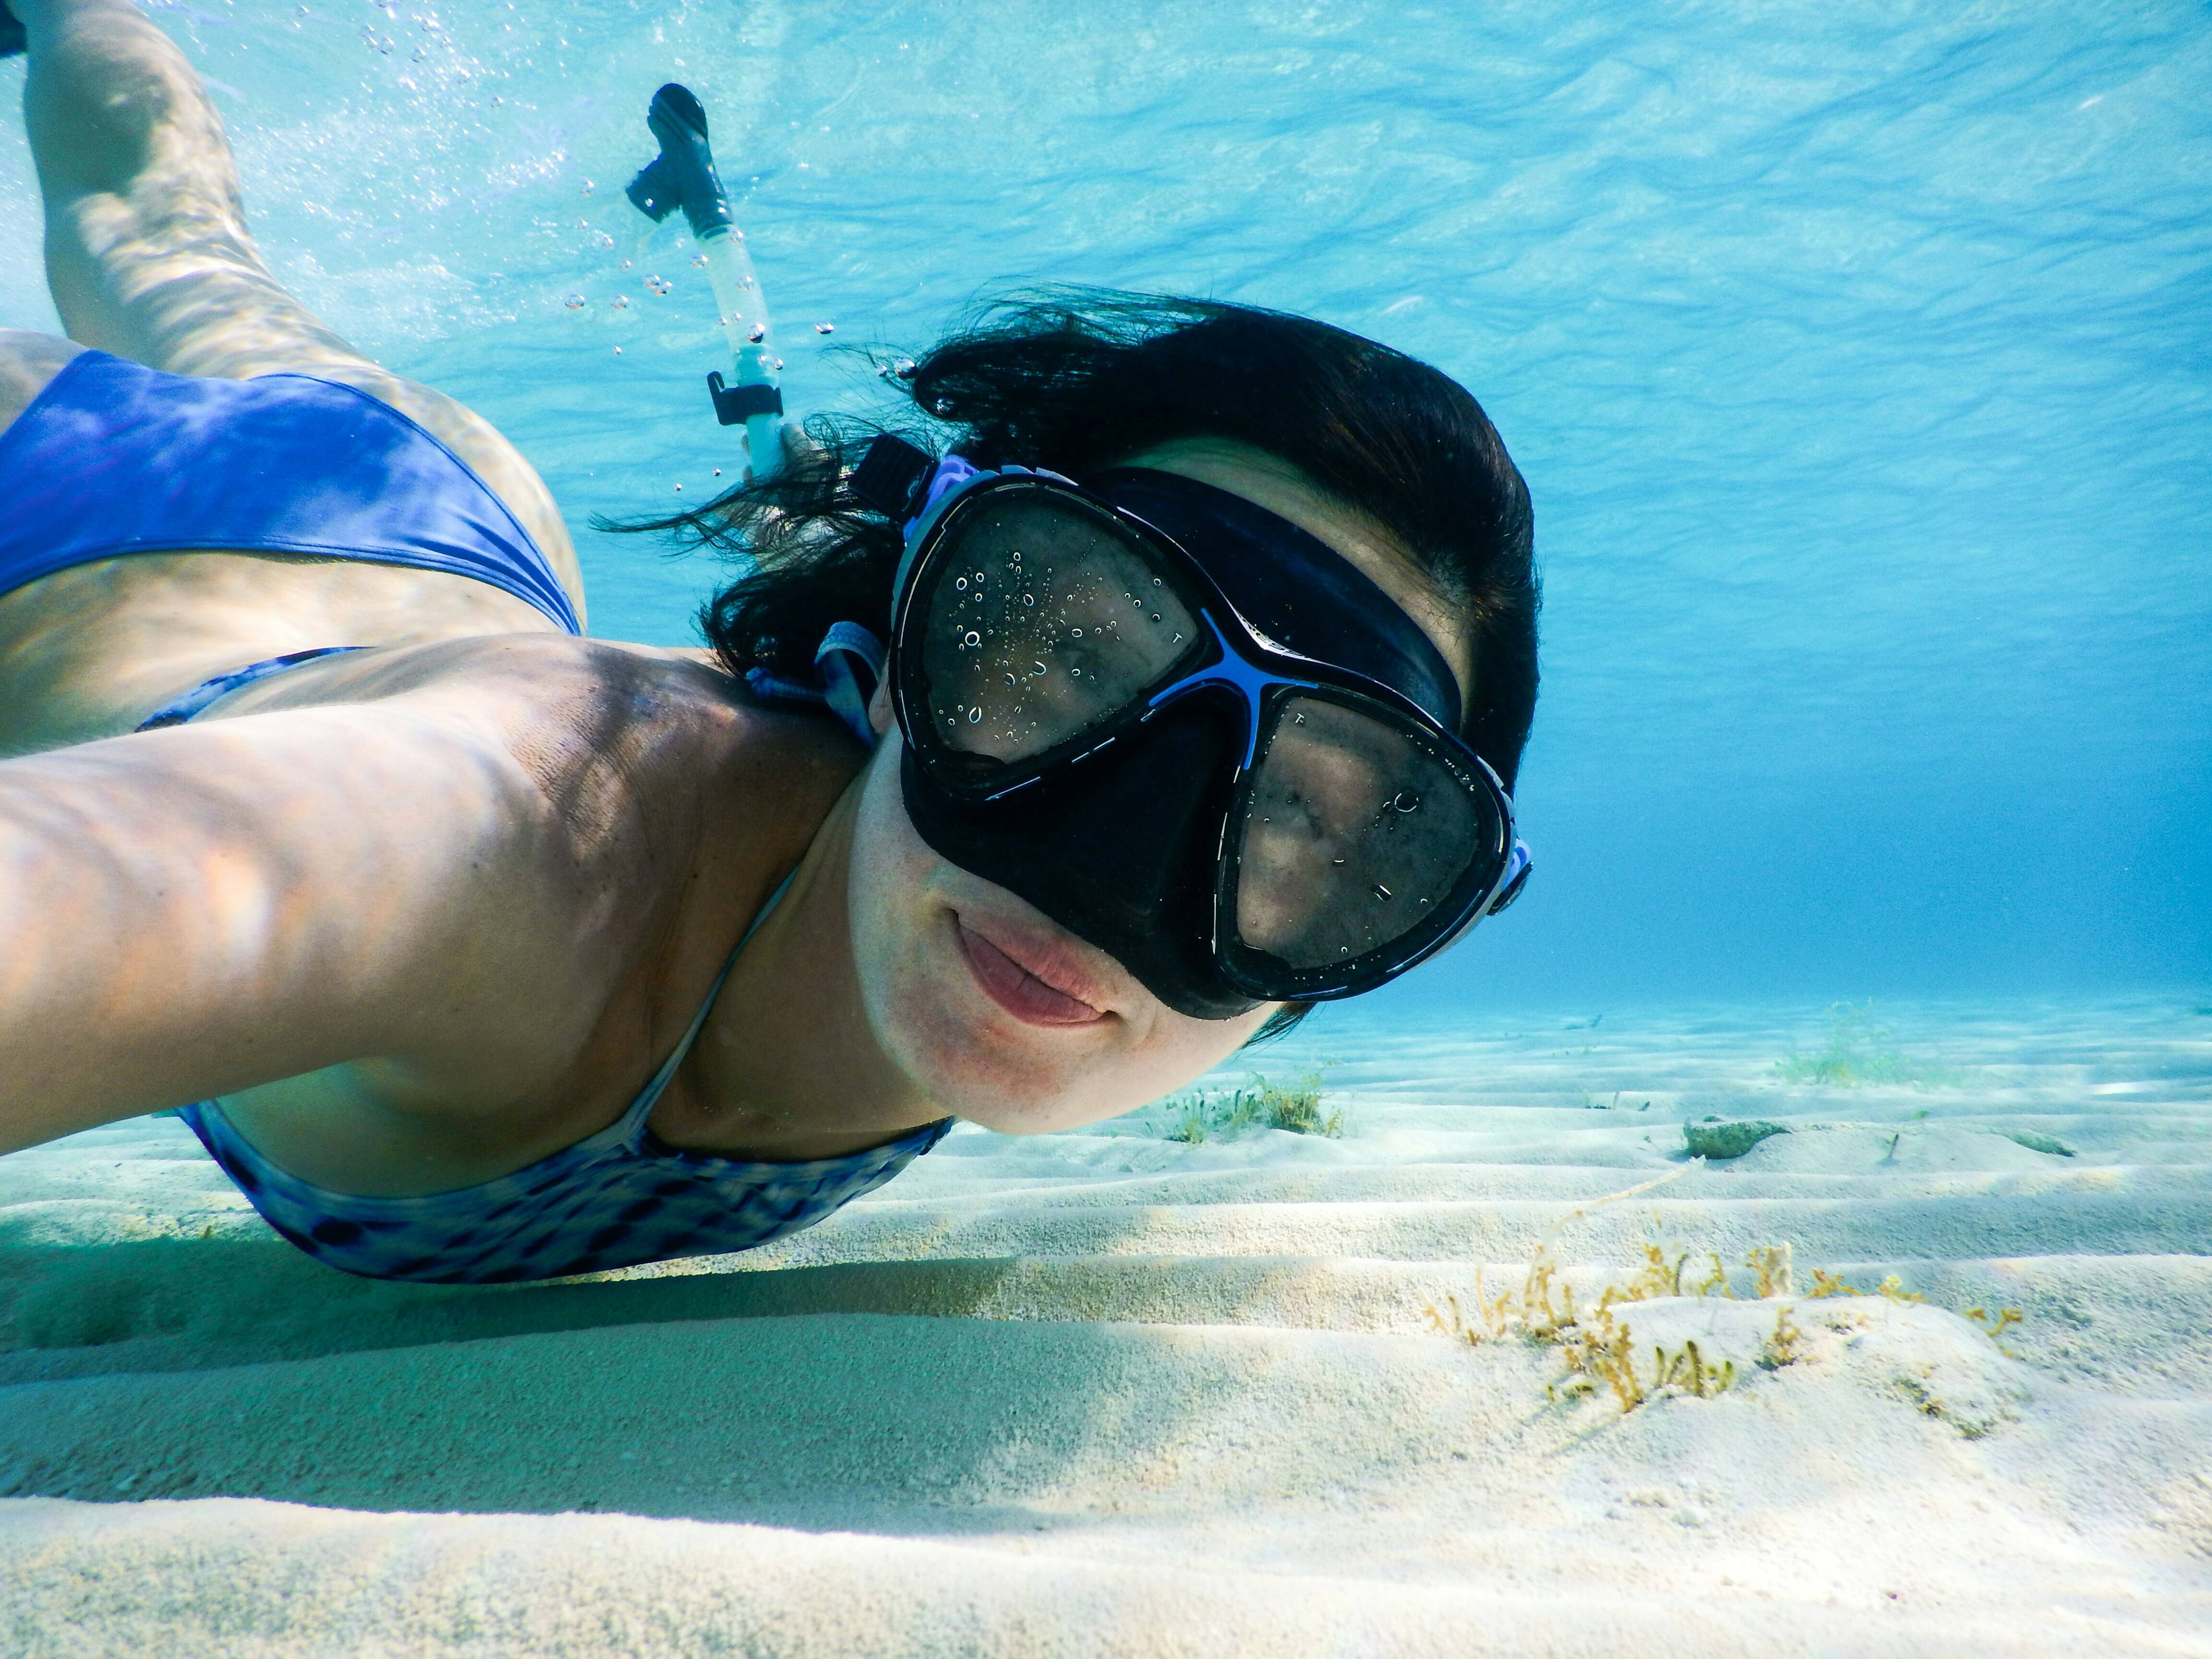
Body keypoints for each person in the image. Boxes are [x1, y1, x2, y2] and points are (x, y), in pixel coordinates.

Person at [0, 0, 1539, 1284]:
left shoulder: (918, 908)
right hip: (76, 533)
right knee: (146, 233)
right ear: (900, 665)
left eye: (1303, 818)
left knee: (167, 239)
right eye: (1076, 658)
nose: (1103, 880)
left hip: (452, 518)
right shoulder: (537, 838)